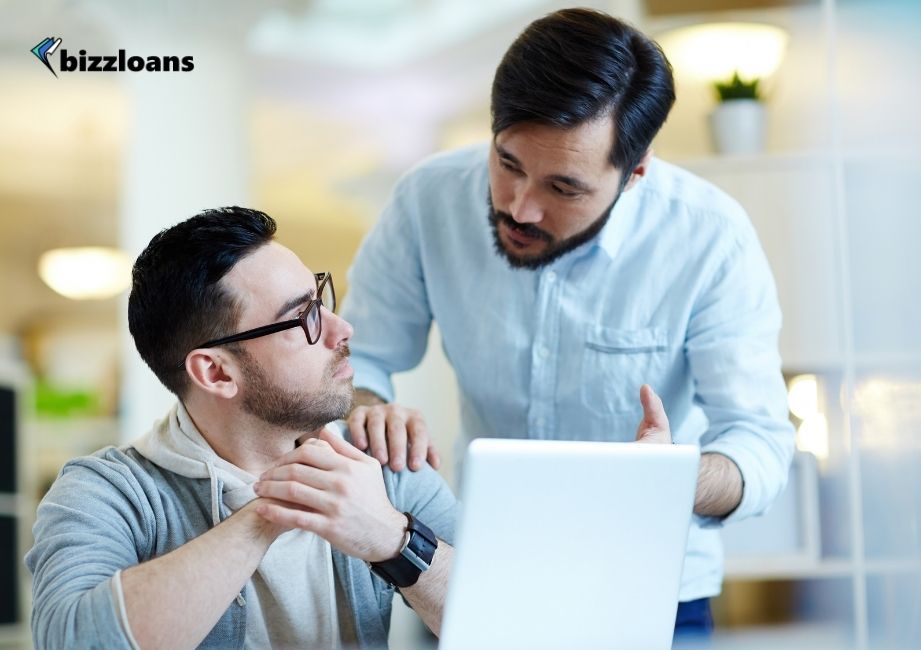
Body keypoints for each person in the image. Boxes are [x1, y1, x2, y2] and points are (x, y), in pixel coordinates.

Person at [339, 7, 796, 635]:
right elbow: (358, 359)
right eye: (508, 163)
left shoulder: (710, 238)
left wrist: (670, 479)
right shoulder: (427, 200)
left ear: (634, 172)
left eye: (565, 188)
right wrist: (367, 406)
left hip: (656, 591)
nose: (520, 207)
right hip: (471, 572)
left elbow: (761, 443)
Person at [25, 207, 461, 649]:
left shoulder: (378, 463)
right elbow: (71, 640)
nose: (341, 329)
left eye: (322, 299)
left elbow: (517, 621)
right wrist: (270, 512)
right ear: (216, 373)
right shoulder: (106, 492)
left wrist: (393, 537)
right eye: (304, 317)